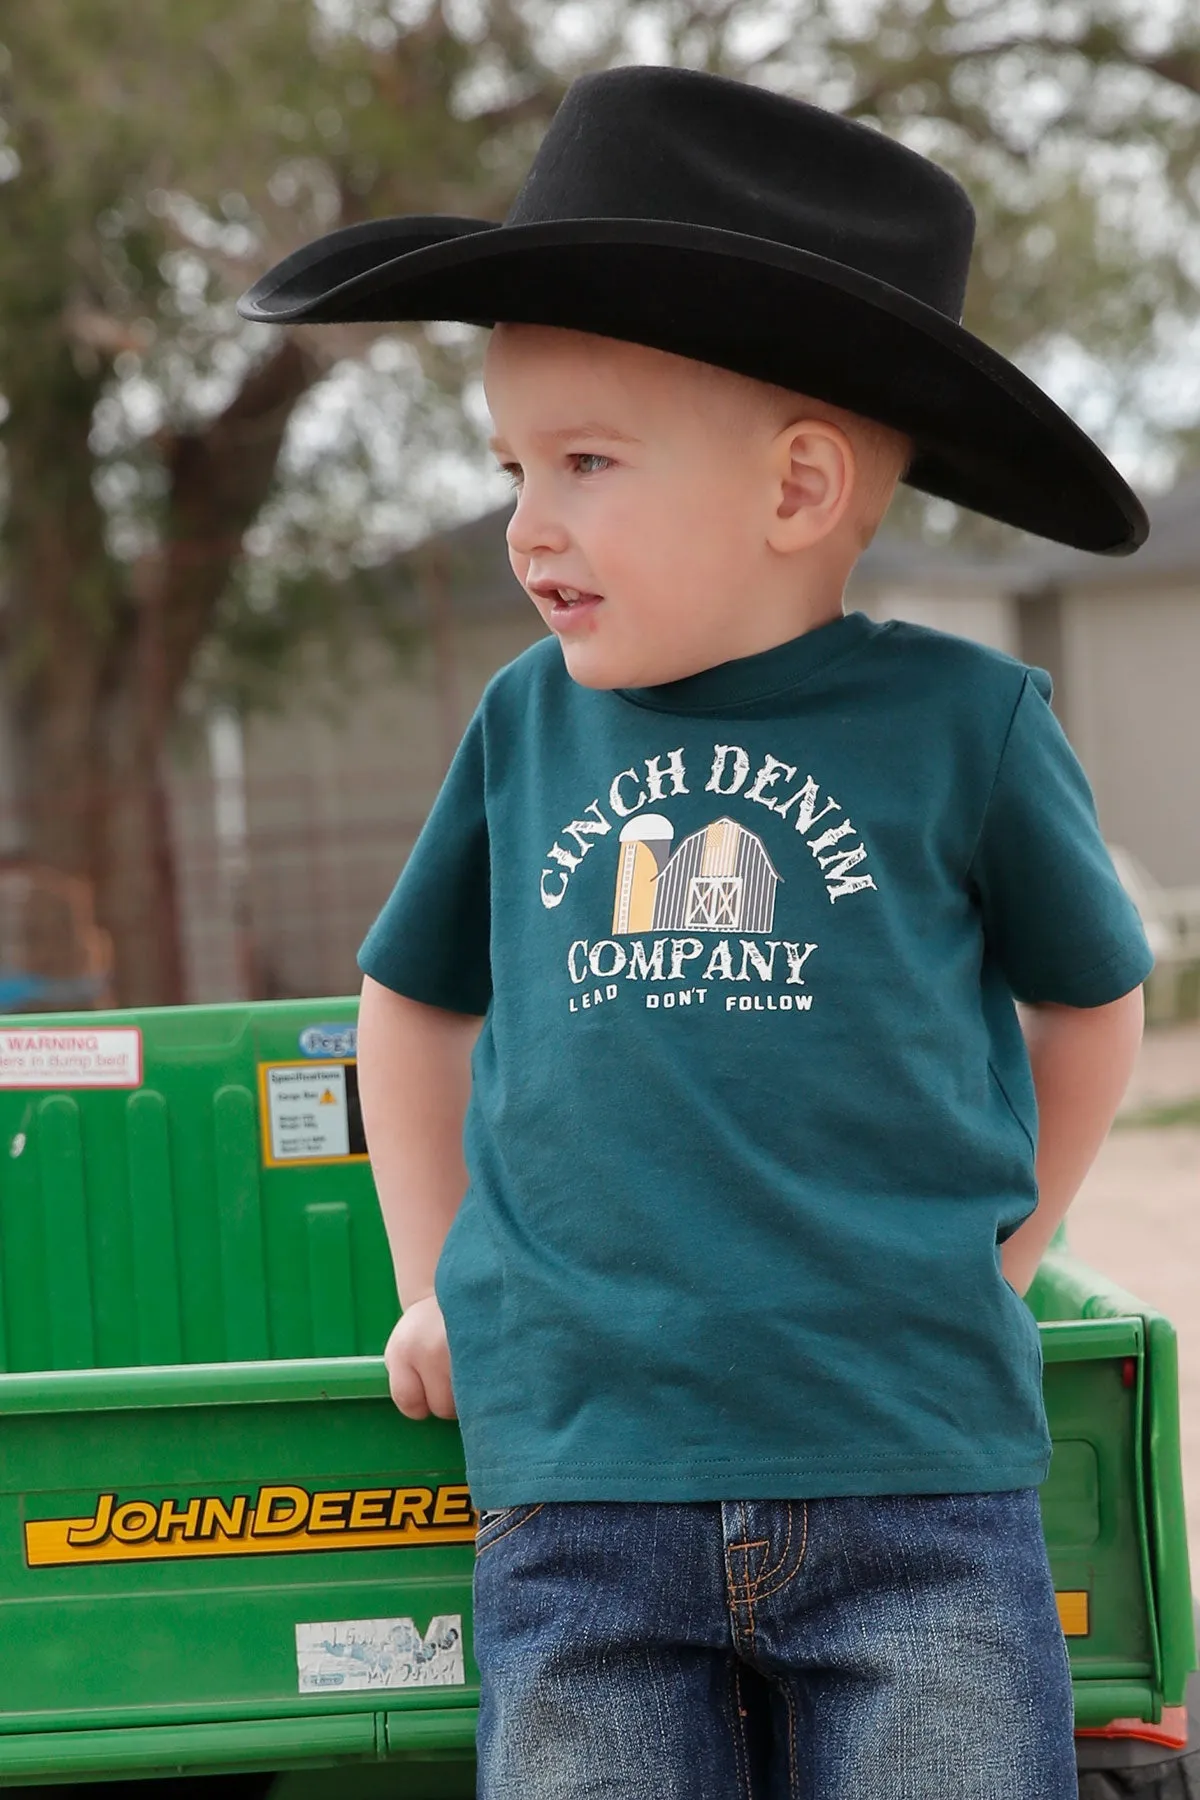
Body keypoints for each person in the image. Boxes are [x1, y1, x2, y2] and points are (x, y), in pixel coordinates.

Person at [240, 65, 1153, 1799]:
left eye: (585, 462)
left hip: (915, 1476)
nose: (528, 525)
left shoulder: (969, 725)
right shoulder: (525, 726)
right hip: (580, 1480)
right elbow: (412, 1000)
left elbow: (1094, 1000)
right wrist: (430, 1280)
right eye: (515, 464)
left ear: (800, 488)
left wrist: (1005, 1249)